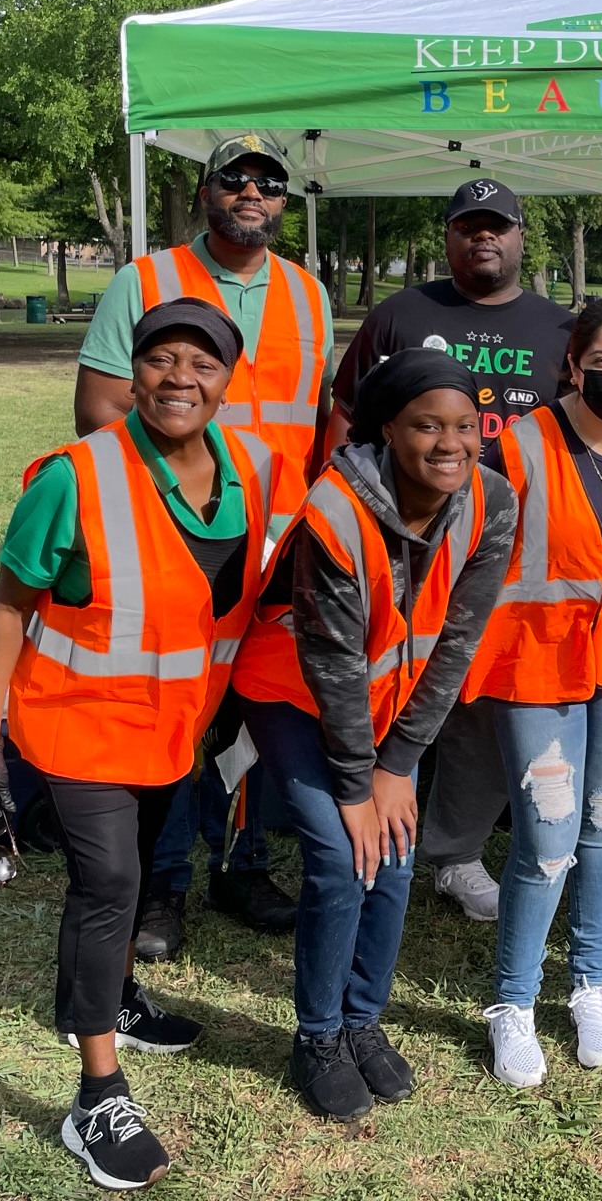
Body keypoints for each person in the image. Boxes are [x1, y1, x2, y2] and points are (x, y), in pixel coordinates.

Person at [0, 298, 278, 1190]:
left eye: (203, 364)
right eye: (162, 360)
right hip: (80, 724)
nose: (182, 378)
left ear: (227, 379)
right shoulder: (74, 478)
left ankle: (118, 997)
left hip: (179, 728)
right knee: (111, 887)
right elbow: (10, 607)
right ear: (131, 374)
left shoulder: (251, 465)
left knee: (136, 882)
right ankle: (96, 1094)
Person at [228, 350, 516, 1119]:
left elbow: (457, 642)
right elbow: (327, 660)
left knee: (393, 854)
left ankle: (362, 1023)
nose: (449, 443)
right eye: (426, 425)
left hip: (391, 704)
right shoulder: (335, 508)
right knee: (337, 851)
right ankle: (316, 1037)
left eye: (465, 426)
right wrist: (360, 781)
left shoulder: (492, 501)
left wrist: (400, 766)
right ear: (388, 429)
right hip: (294, 689)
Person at [75, 131, 336, 955]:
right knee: (175, 709)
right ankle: (163, 887)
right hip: (176, 533)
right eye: (235, 178)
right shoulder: (143, 280)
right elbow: (97, 409)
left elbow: (321, 424)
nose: (251, 192)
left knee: (257, 709)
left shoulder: (308, 292)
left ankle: (243, 865)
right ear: (205, 191)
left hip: (279, 541)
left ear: (283, 202)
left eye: (268, 182)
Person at [325, 177, 575, 924]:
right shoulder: (402, 314)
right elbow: (348, 419)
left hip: (513, 543)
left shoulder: (559, 327)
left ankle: (456, 850)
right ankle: (361, 813)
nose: (483, 237)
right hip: (397, 539)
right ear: (449, 237)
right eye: (468, 225)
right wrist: (347, 509)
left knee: (480, 692)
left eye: (497, 225)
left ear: (522, 236)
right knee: (385, 673)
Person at [466, 296, 602, 1087]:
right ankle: (513, 1005)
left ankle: (591, 985)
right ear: (572, 364)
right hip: (535, 663)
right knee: (548, 836)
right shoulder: (519, 446)